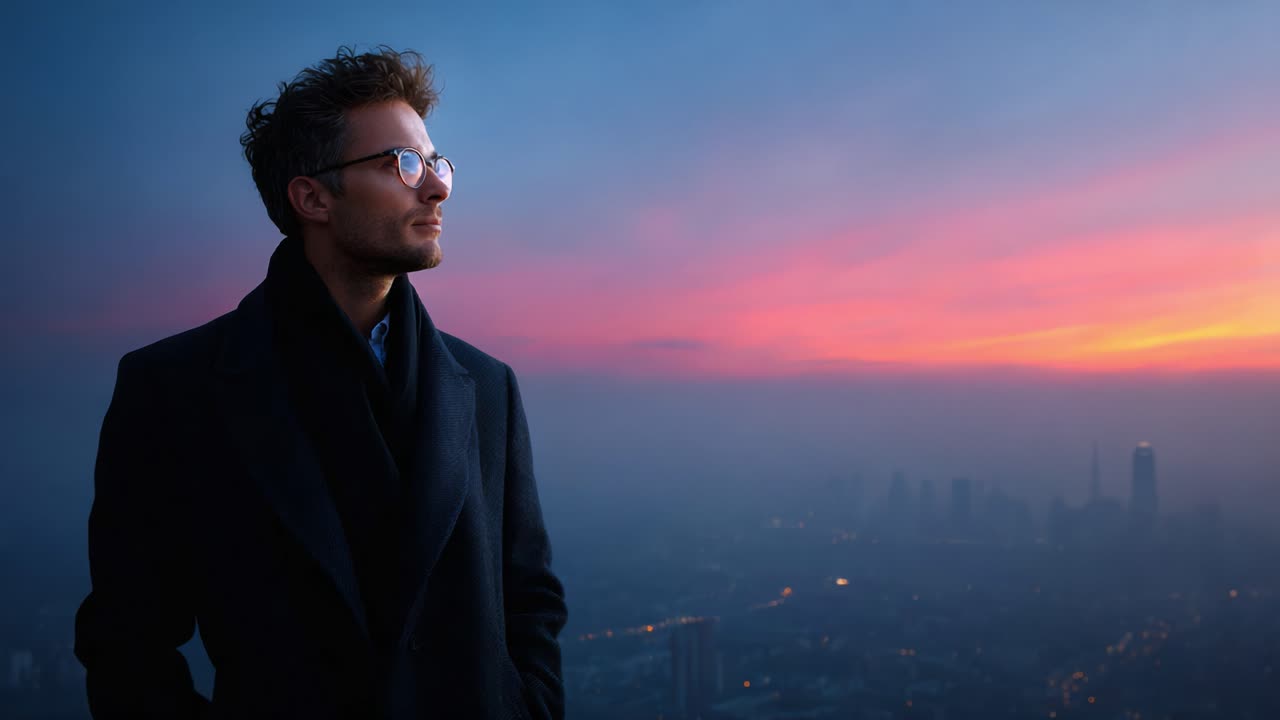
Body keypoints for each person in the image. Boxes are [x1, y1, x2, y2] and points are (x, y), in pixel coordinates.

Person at [73, 46, 567, 719]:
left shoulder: (485, 388)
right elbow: (127, 646)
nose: (438, 186)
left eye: (436, 161)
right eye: (404, 163)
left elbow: (530, 604)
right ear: (311, 197)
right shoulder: (175, 390)